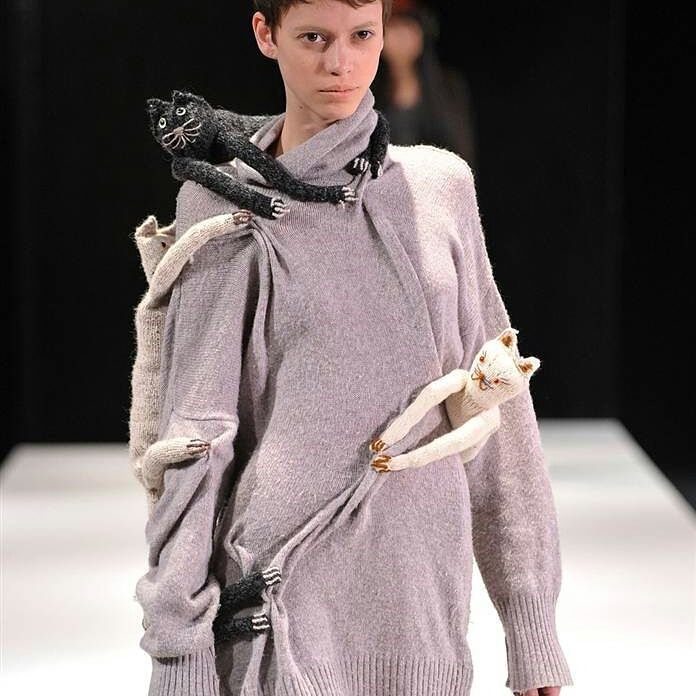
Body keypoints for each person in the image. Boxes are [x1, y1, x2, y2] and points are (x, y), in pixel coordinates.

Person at [132, 1, 574, 695]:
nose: (341, 63)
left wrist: (530, 622)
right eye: (314, 37)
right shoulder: (221, 204)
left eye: (361, 35)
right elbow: (195, 435)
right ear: (266, 34)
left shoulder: (439, 188)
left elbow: (496, 405)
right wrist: (178, 652)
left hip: (420, 596)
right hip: (281, 601)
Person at [371, 0, 478, 168]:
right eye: (394, 27)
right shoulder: (368, 89)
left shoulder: (449, 85)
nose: (401, 36)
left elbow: (461, 147)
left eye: (408, 26)